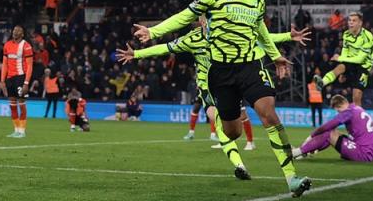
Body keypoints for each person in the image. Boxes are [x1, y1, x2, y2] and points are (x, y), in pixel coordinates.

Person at [132, 0, 311, 197]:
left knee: (268, 113)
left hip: (250, 66)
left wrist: (275, 55)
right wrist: (154, 31)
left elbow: (259, 31)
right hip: (221, 72)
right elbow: (186, 15)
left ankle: (291, 177)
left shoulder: (258, 0)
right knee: (232, 131)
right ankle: (236, 133)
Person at [119, 19, 310, 178]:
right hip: (207, 89)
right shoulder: (192, 39)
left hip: (230, 84)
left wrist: (288, 36)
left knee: (239, 122)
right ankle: (240, 166)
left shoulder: (227, 36)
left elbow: (260, 39)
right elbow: (165, 48)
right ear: (201, 21)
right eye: (206, 17)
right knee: (218, 123)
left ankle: (257, 147)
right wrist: (136, 54)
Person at [292, 94, 373, 162]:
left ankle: (296, 152)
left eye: (338, 110)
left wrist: (311, 136)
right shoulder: (357, 108)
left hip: (363, 153)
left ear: (340, 105)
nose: (338, 113)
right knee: (335, 134)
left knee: (329, 133)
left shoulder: (348, 112)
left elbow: (327, 126)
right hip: (369, 151)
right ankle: (305, 152)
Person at [314, 12, 373, 106]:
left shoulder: (368, 37)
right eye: (349, 20)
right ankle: (322, 83)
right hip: (351, 61)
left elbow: (360, 59)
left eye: (354, 21)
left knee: (356, 96)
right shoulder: (346, 34)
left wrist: (340, 58)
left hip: (364, 65)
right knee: (339, 68)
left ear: (360, 23)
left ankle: (359, 118)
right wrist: (343, 69)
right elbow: (345, 51)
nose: (351, 23)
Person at [0, 25, 34, 138]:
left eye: (18, 30)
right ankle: (16, 129)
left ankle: (22, 131)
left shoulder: (26, 46)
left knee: (21, 103)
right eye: (14, 30)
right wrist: (2, 80)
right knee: (12, 105)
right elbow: (4, 64)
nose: (15, 32)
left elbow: (30, 66)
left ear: (22, 34)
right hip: (10, 78)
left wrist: (26, 83)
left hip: (20, 77)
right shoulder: (7, 45)